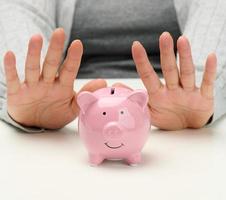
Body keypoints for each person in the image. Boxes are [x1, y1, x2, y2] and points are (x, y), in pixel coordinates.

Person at [0, 0, 225, 132]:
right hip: (70, 115)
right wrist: (28, 85)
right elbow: (16, 10)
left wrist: (199, 86)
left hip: (167, 111)